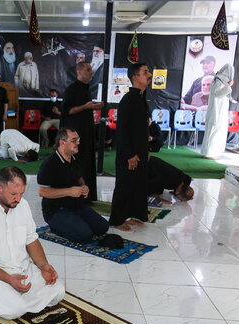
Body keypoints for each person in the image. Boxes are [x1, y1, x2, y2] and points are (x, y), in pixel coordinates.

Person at [0, 166, 65, 320]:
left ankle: (11, 296)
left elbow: (31, 239)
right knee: (14, 311)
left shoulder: (22, 205)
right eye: (13, 194)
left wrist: (44, 266)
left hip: (22, 268)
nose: (18, 199)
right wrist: (8, 279)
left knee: (58, 291)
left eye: (21, 193)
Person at [37, 128, 109, 243]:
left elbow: (79, 177)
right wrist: (69, 191)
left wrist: (84, 187)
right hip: (56, 210)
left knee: (103, 227)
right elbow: (42, 192)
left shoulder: (74, 157)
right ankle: (55, 227)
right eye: (74, 140)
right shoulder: (49, 164)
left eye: (78, 140)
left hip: (76, 205)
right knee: (85, 236)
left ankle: (73, 222)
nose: (78, 143)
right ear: (62, 142)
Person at [109, 62, 152, 232]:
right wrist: (129, 154)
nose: (149, 75)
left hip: (140, 152)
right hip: (129, 154)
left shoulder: (141, 98)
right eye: (145, 72)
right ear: (135, 77)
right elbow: (122, 131)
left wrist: (145, 150)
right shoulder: (128, 100)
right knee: (125, 185)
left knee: (138, 184)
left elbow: (141, 130)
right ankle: (117, 219)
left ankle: (135, 214)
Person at [61, 61, 103, 201]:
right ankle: (76, 196)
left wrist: (94, 106)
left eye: (91, 69)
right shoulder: (72, 89)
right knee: (78, 163)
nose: (91, 72)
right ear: (79, 72)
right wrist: (85, 106)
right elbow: (68, 111)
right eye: (88, 69)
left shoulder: (86, 88)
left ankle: (87, 195)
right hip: (76, 134)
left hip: (87, 131)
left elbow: (85, 107)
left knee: (87, 161)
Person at [202, 64, 235, 159]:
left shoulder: (219, 79)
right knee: (215, 131)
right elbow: (218, 94)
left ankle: (209, 152)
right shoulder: (220, 80)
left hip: (219, 110)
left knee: (215, 131)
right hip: (217, 111)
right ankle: (210, 154)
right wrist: (228, 85)